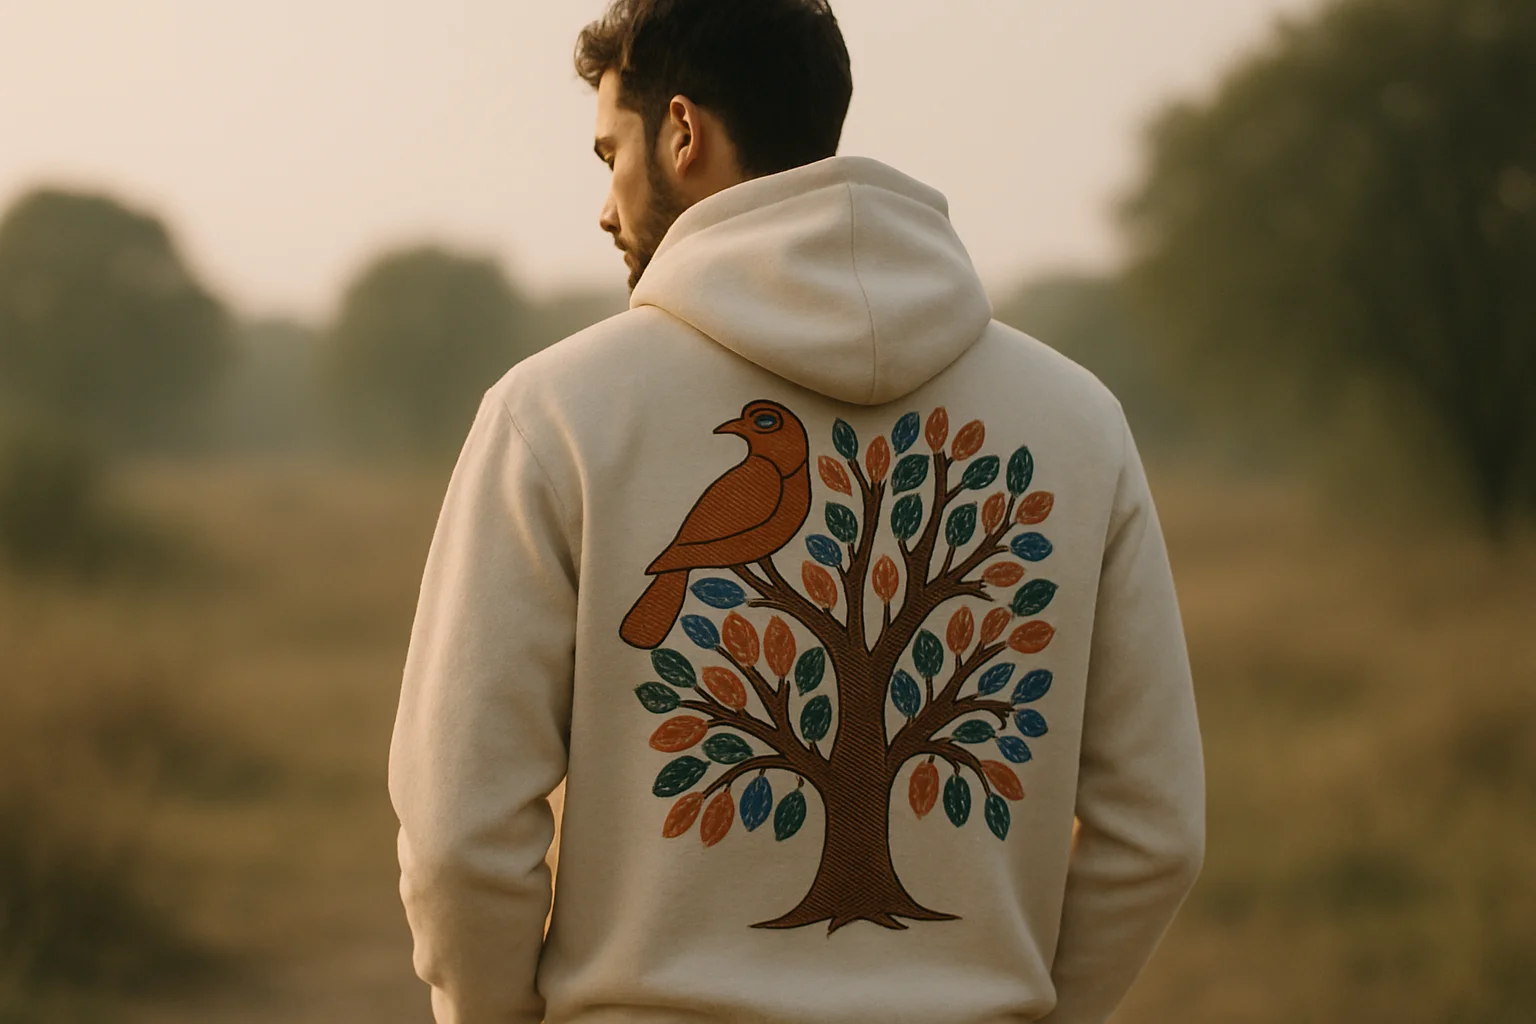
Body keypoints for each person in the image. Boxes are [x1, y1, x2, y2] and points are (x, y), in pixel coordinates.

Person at [387, 1, 1205, 1021]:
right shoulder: (1080, 422)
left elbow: (462, 836)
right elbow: (1158, 829)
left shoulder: (551, 415)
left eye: (610, 155)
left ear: (682, 133)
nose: (604, 206)